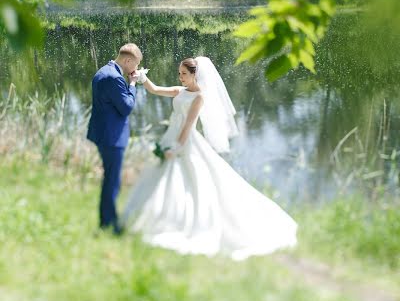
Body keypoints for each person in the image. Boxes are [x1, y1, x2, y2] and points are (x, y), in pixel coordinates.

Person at [122, 56, 297, 260]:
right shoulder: (181, 91)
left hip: (184, 141)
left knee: (188, 178)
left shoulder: (199, 97)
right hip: (171, 136)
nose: (180, 77)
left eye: (184, 74)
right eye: (179, 73)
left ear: (195, 75)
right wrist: (142, 79)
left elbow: (188, 124)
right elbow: (156, 90)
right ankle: (161, 218)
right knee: (164, 177)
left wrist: (177, 147)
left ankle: (185, 221)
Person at [87, 43, 142, 234]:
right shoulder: (114, 78)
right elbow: (126, 107)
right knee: (112, 181)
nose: (135, 69)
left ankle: (107, 220)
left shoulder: (105, 70)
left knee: (110, 178)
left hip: (103, 133)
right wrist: (133, 84)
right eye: (134, 65)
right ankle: (109, 224)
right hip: (111, 137)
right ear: (127, 61)